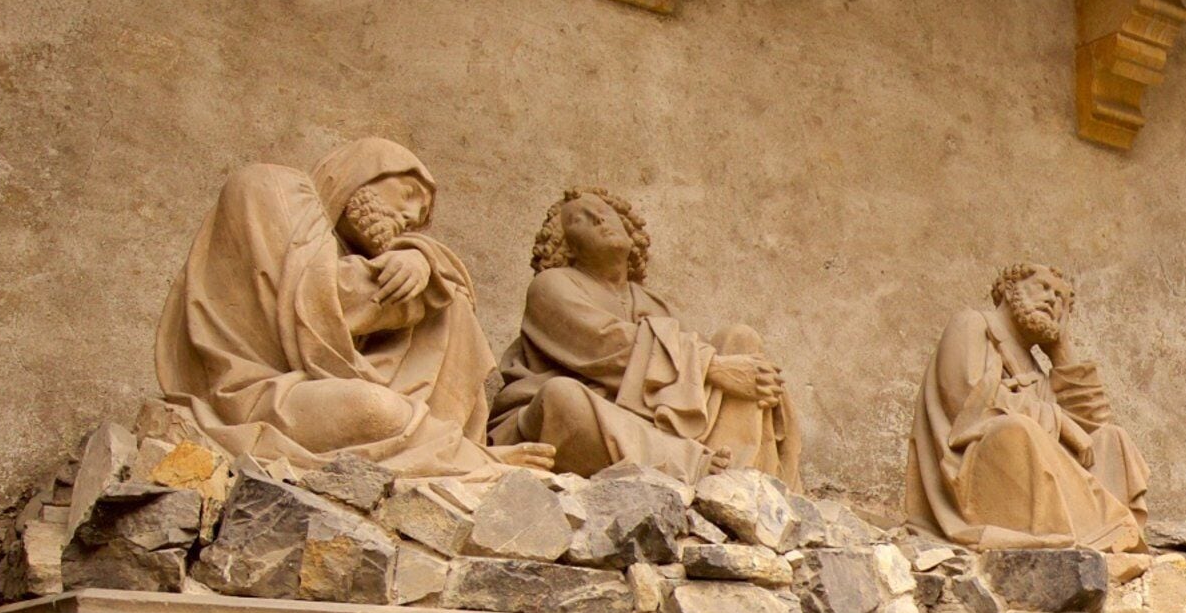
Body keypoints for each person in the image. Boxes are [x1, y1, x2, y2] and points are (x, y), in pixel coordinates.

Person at [152, 139, 544, 487]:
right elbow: (320, 303)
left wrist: (423, 256)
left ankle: (461, 450)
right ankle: (468, 458)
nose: (411, 216)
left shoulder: (343, 251)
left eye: (421, 215)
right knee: (376, 409)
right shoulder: (271, 187)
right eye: (408, 194)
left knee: (447, 308)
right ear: (359, 171)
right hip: (249, 396)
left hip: (313, 388)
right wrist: (424, 266)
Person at [487, 186, 802, 483]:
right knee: (561, 397)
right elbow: (605, 346)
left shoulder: (651, 302)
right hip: (589, 419)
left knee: (740, 339)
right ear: (567, 245)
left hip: (650, 425)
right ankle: (694, 465)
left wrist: (728, 368)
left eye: (606, 212)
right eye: (579, 219)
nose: (599, 219)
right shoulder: (551, 285)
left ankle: (737, 472)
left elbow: (685, 384)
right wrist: (713, 367)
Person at [905, 263, 1150, 550]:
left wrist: (1062, 351)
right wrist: (1060, 423)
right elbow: (964, 400)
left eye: (1061, 299)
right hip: (975, 471)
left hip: (1033, 469)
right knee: (1017, 429)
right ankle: (1097, 530)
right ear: (1010, 291)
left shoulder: (1035, 366)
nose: (1052, 301)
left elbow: (1093, 425)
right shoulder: (972, 325)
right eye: (1043, 288)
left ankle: (1103, 535)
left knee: (1112, 439)